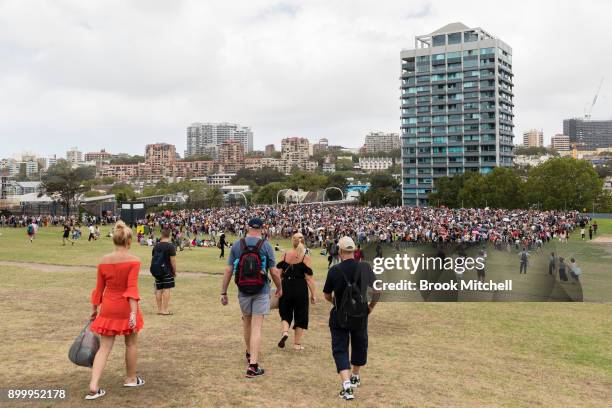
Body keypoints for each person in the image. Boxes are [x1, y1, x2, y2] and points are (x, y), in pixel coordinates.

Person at [87, 221, 144, 400]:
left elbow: (99, 289)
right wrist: (134, 314)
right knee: (131, 344)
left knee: (104, 348)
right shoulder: (134, 261)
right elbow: (132, 289)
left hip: (108, 307)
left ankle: (94, 385)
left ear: (114, 241)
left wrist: (94, 308)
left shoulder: (103, 261)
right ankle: (131, 378)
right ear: (129, 242)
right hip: (126, 308)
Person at [220, 217, 282, 378]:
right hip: (261, 290)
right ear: (261, 229)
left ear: (247, 228)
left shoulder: (237, 245)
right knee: (256, 327)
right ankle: (253, 366)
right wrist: (279, 288)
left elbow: (228, 270)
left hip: (243, 290)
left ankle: (249, 353)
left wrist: (223, 292)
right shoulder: (266, 246)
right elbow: (274, 272)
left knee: (246, 323)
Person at [323, 236, 380, 401]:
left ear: (340, 252)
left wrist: (337, 303)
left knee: (340, 348)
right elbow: (378, 290)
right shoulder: (364, 267)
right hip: (360, 313)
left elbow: (327, 295)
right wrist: (370, 307)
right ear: (354, 251)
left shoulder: (334, 270)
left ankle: (346, 385)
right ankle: (355, 375)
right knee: (360, 343)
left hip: (339, 315)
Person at [276, 232, 317, 351]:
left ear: (292, 241)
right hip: (300, 288)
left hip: (286, 286)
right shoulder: (305, 258)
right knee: (301, 315)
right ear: (303, 242)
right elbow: (309, 279)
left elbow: (278, 274)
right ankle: (297, 344)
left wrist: (279, 288)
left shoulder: (284, 255)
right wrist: (313, 294)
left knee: (285, 312)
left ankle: (285, 332)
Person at [152, 229, 177, 315]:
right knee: (166, 289)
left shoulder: (156, 246)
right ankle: (165, 310)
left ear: (161, 235)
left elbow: (154, 258)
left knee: (159, 289)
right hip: (167, 271)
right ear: (169, 235)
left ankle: (159, 310)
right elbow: (173, 261)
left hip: (157, 270)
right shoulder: (171, 246)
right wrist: (174, 271)